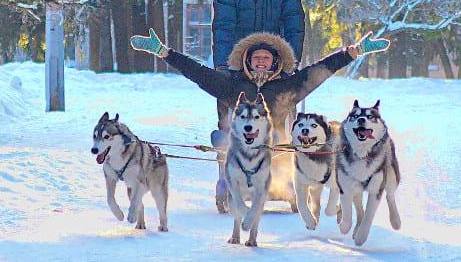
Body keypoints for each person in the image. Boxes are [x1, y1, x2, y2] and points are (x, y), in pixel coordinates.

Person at [130, 28, 390, 211]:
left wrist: (352, 53)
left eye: (266, 58)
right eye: (256, 58)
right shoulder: (231, 85)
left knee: (280, 139)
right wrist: (165, 53)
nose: (261, 62)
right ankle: (229, 182)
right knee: (221, 139)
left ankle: (283, 184)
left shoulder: (288, 87)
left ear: (275, 61)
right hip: (237, 144)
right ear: (247, 61)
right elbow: (197, 72)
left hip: (275, 146)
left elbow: (320, 70)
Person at [211, 0, 306, 211]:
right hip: (238, 64)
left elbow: (294, 22)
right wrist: (223, 67)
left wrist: (291, 61)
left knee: (280, 120)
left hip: (275, 61)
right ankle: (228, 178)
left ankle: (283, 178)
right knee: (231, 117)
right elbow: (223, 28)